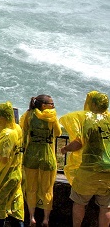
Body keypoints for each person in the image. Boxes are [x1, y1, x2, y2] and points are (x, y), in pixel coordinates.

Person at [59, 91, 110, 227]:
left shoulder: (89, 121)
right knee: (106, 207)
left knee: (79, 202)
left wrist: (65, 149)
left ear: (92, 104)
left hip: (89, 171)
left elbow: (79, 143)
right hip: (108, 171)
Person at [20, 95, 60, 227]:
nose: (53, 106)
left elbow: (23, 131)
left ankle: (32, 217)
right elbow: (58, 133)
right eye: (51, 104)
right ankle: (46, 219)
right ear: (44, 105)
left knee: (31, 188)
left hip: (31, 155)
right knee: (47, 189)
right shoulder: (52, 117)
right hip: (47, 156)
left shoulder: (29, 115)